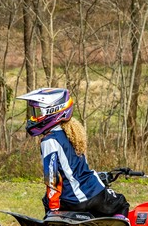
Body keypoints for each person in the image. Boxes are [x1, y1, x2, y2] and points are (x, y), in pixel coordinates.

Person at [18, 87, 129, 218]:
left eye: (38, 112)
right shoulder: (72, 134)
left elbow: (52, 177)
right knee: (121, 203)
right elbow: (62, 175)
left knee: (46, 200)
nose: (34, 118)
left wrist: (52, 211)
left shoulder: (49, 140)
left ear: (52, 111)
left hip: (69, 200)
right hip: (89, 195)